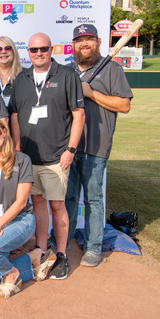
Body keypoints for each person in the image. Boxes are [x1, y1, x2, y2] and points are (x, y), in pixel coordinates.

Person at [9, 32, 85, 280]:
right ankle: (41, 248)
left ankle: (61, 254)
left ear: (51, 50)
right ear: (28, 52)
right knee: (38, 202)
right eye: (34, 50)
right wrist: (17, 148)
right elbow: (14, 115)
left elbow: (79, 114)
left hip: (56, 157)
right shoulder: (21, 79)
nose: (39, 53)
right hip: (29, 158)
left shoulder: (67, 76)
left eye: (44, 49)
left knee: (57, 205)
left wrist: (70, 150)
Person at [65, 24, 133, 267]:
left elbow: (124, 105)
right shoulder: (66, 71)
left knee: (93, 199)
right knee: (68, 197)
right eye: (80, 40)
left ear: (98, 42)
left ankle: (93, 247)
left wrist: (91, 93)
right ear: (73, 44)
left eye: (89, 39)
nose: (85, 44)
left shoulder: (112, 69)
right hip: (69, 147)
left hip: (96, 145)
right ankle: (63, 240)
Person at [0, 115, 56, 298]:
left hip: (21, 220)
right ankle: (32, 259)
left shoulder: (22, 160)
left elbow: (21, 202)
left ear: (4, 132)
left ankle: (11, 272)